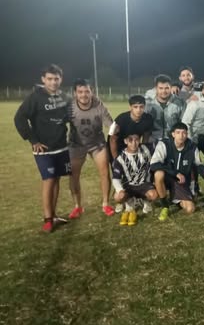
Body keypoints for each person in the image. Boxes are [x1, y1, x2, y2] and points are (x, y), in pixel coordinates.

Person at [14, 64, 71, 232]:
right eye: (50, 79)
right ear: (43, 79)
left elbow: (68, 116)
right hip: (44, 148)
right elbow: (19, 118)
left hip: (61, 146)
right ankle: (47, 219)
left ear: (61, 79)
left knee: (57, 179)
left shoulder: (64, 97)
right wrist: (33, 140)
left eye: (56, 79)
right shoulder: (35, 97)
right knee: (49, 179)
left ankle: (53, 215)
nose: (53, 82)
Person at [67, 79, 115, 218]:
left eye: (87, 91)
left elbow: (111, 125)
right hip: (76, 144)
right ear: (75, 93)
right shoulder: (69, 106)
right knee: (74, 175)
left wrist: (115, 132)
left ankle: (105, 204)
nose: (84, 95)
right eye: (80, 92)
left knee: (104, 172)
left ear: (92, 92)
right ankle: (77, 206)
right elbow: (59, 123)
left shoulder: (98, 105)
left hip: (97, 144)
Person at [150, 122, 204, 220]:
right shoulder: (164, 144)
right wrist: (175, 173)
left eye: (184, 133)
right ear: (173, 134)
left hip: (181, 181)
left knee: (190, 209)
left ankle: (176, 199)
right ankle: (165, 206)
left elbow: (198, 163)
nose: (181, 136)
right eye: (178, 132)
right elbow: (154, 164)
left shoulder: (192, 147)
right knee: (158, 174)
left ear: (187, 134)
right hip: (166, 177)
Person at [111, 133, 159, 226]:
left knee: (154, 195)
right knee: (118, 197)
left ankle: (142, 200)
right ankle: (129, 201)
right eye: (130, 140)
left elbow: (160, 144)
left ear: (140, 140)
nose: (134, 143)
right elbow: (115, 178)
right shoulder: (120, 158)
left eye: (136, 140)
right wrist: (120, 190)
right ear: (125, 141)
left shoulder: (146, 149)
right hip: (128, 185)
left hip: (144, 184)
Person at [109, 95, 154, 159]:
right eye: (135, 107)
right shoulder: (120, 119)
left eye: (141, 107)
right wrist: (116, 159)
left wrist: (143, 153)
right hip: (117, 147)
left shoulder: (148, 119)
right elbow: (112, 139)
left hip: (134, 145)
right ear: (130, 107)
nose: (138, 110)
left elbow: (145, 138)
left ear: (144, 107)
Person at [145, 74, 186, 144]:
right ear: (156, 88)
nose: (164, 91)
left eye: (167, 88)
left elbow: (183, 124)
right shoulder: (148, 104)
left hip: (173, 142)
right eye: (161, 88)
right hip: (153, 142)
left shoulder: (180, 103)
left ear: (171, 87)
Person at [182, 80, 204, 157]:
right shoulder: (195, 103)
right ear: (203, 91)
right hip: (195, 137)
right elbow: (185, 122)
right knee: (194, 160)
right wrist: (189, 140)